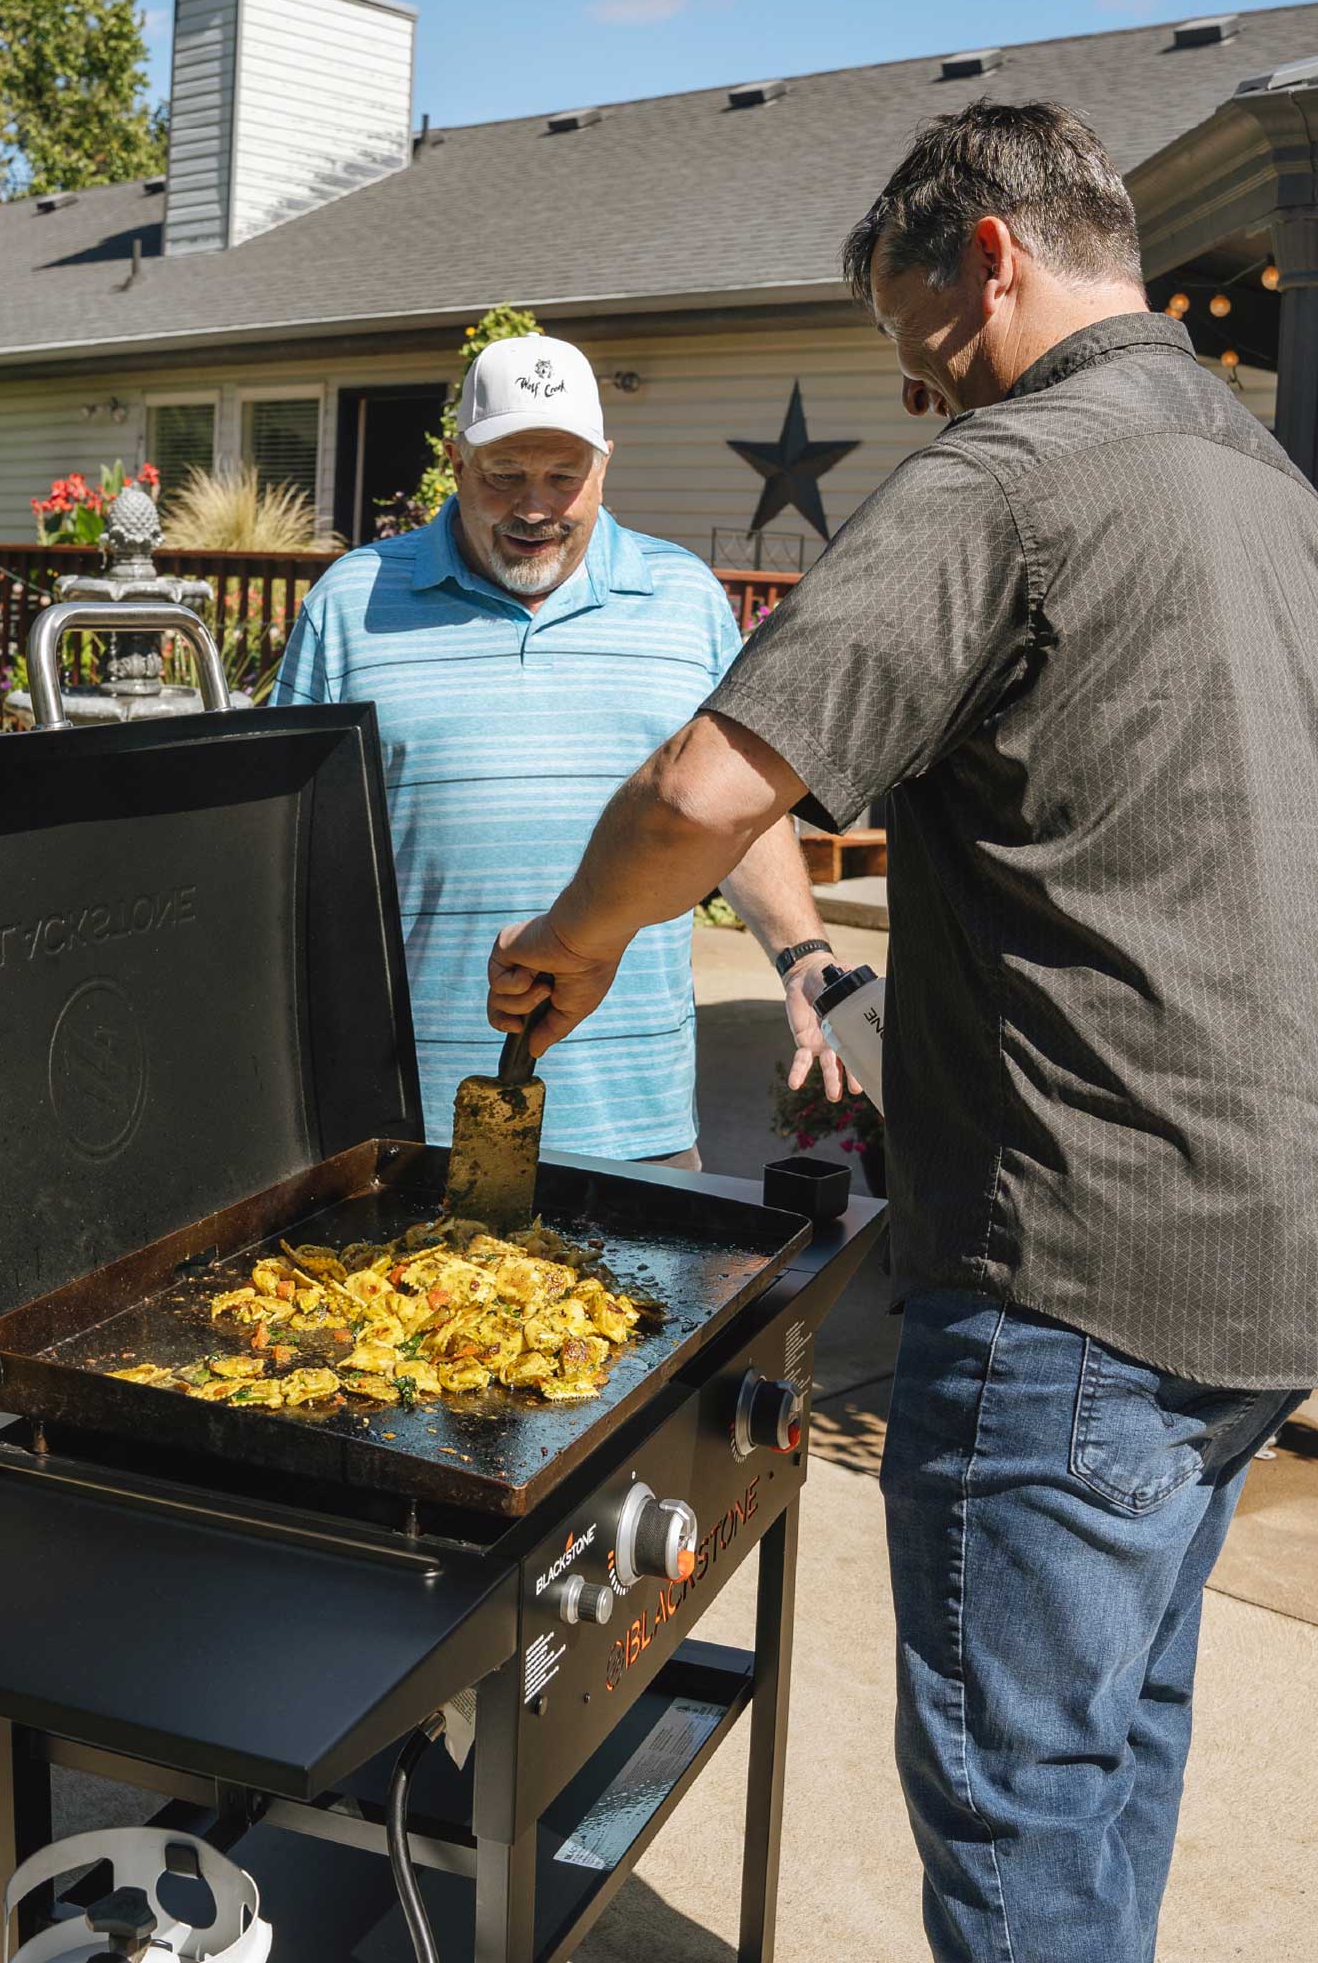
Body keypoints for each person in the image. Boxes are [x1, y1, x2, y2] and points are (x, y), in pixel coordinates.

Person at [486, 98, 1315, 1961]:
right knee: (1117, 1744)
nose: (921, 387)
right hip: (1268, 1264)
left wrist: (577, 939)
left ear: (991, 254)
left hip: (1072, 1285)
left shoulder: (1012, 478)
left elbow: (712, 782)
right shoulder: (1268, 486)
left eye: (910, 335)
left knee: (1016, 1807)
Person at [274, 332, 844, 1170]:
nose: (535, 506)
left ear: (605, 466)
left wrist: (803, 953)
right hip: (403, 1124)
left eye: (563, 476)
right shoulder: (353, 603)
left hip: (635, 1125)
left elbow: (735, 813)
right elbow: (291, 856)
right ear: (456, 461)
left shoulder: (683, 599)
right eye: (505, 474)